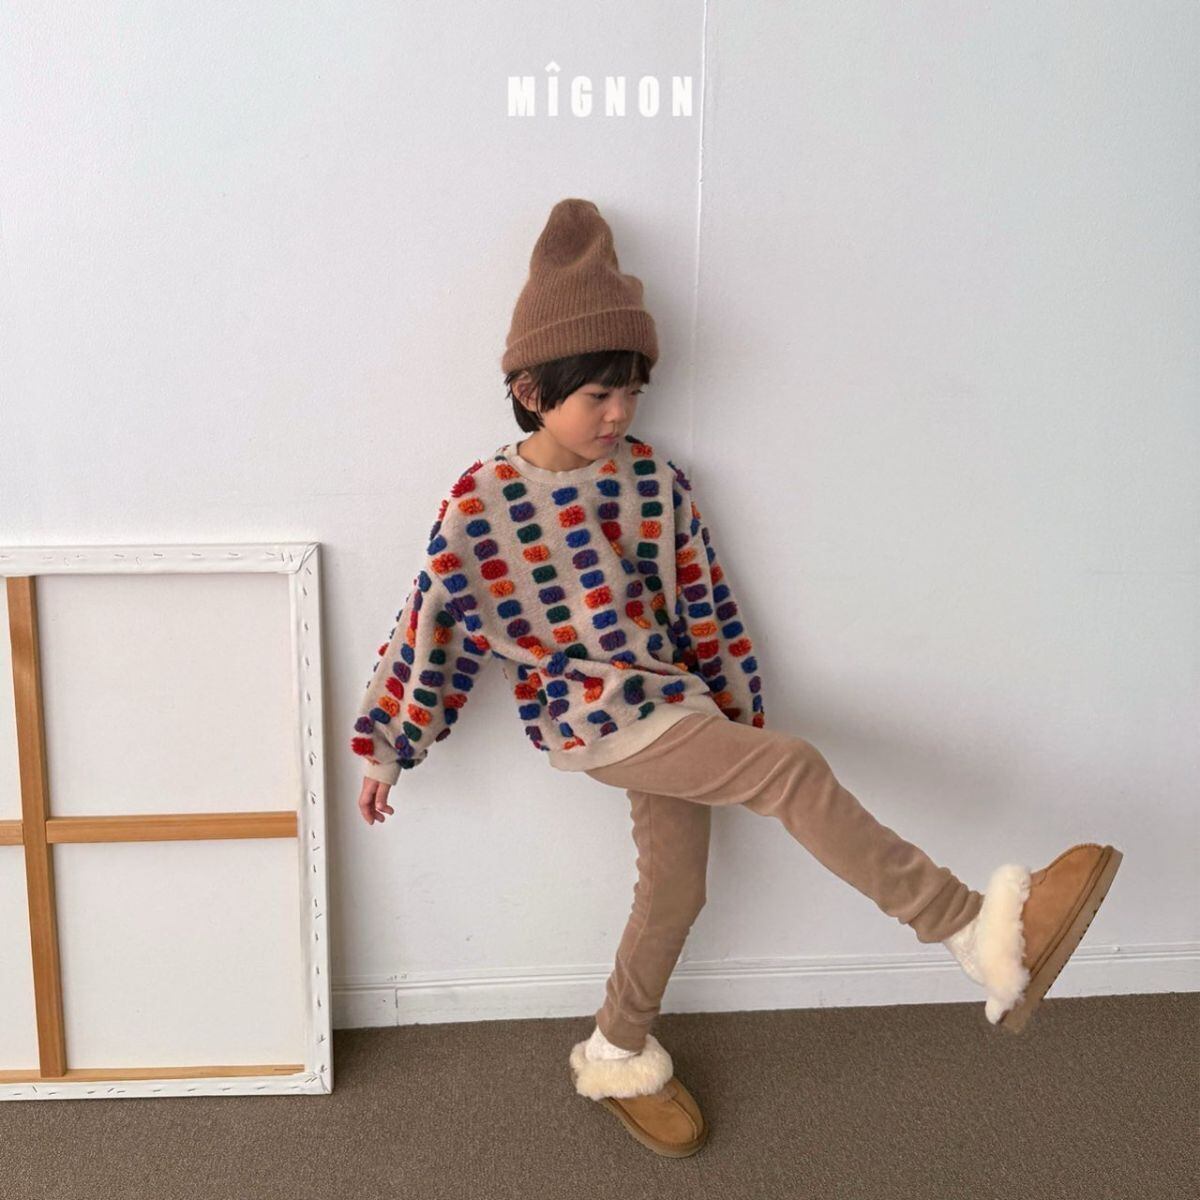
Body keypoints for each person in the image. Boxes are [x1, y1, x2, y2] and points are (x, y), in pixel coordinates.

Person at [349, 198, 1124, 1158]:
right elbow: (431, 628)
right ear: (530, 388)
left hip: (674, 707)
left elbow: (706, 608)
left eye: (633, 391)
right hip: (595, 720)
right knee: (793, 769)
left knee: (676, 890)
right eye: (598, 395)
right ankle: (975, 934)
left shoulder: (650, 480)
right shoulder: (483, 504)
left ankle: (616, 1051)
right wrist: (388, 746)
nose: (620, 413)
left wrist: (736, 726)